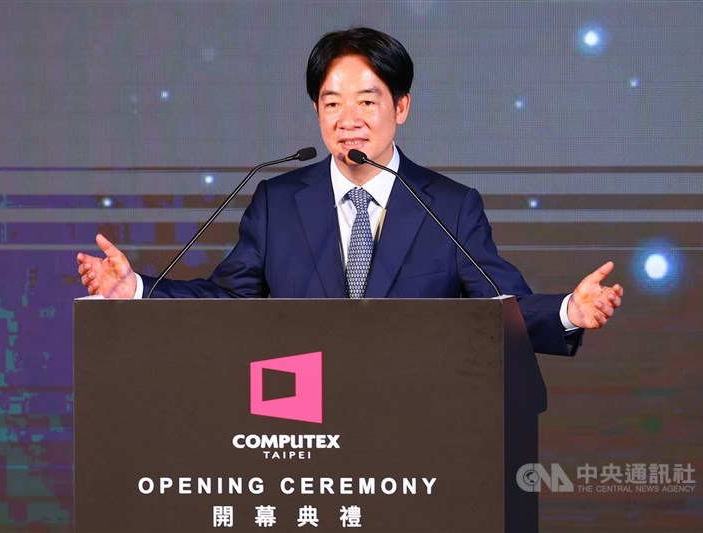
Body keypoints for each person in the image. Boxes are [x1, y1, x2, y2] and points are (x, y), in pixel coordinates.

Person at [77, 27, 622, 356]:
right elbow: (228, 302)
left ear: (401, 107)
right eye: (332, 102)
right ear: (316, 110)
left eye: (367, 99)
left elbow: (500, 308)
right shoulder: (276, 201)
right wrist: (135, 291)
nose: (348, 119)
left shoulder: (450, 206)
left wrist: (570, 310)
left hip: (418, 429)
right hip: (303, 431)